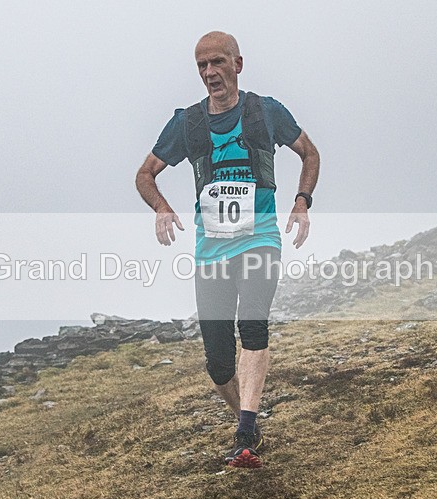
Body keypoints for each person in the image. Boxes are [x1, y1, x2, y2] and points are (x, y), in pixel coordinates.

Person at [135, 31, 319, 468]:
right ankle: (248, 425)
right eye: (201, 66)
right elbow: (145, 174)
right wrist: (160, 207)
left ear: (238, 64)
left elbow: (309, 153)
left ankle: (244, 432)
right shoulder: (188, 123)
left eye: (217, 62)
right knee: (218, 363)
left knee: (253, 326)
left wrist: (301, 202)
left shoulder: (265, 112)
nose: (209, 73)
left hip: (259, 239)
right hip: (211, 250)